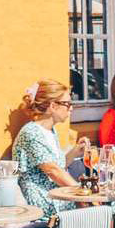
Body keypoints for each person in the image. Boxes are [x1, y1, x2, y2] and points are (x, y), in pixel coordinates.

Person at [12, 80, 86, 218]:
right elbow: (53, 171)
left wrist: (75, 151)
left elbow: (56, 164)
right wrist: (83, 192)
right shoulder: (31, 132)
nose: (71, 108)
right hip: (44, 199)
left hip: (56, 193)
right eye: (68, 104)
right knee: (112, 207)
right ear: (53, 106)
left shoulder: (50, 131)